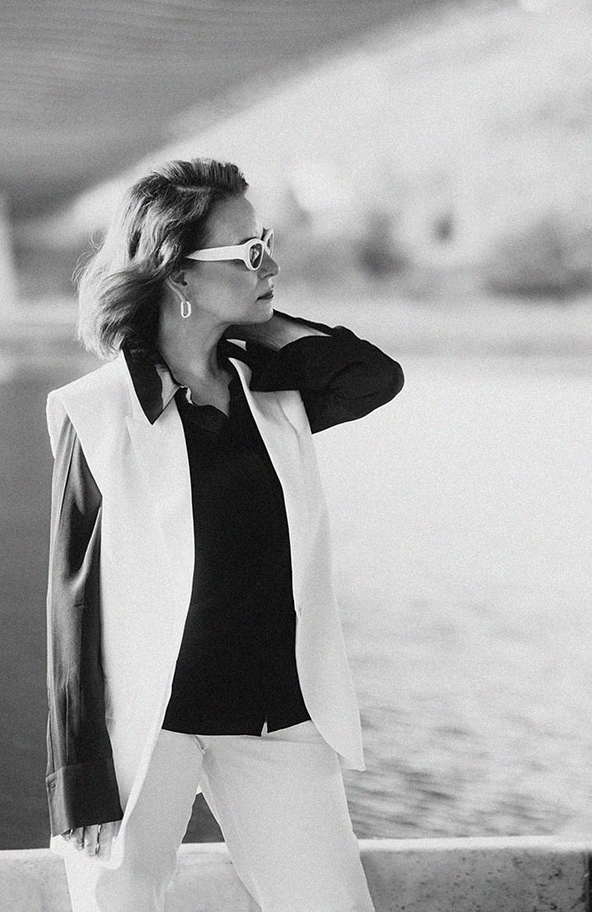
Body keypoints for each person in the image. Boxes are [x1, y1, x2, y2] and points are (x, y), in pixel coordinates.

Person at [43, 157, 404, 912]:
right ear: (177, 273)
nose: (272, 262)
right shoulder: (102, 413)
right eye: (248, 252)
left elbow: (374, 376)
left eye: (264, 241)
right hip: (150, 723)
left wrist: (255, 311)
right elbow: (72, 605)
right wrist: (79, 781)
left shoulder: (274, 393)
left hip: (277, 716)